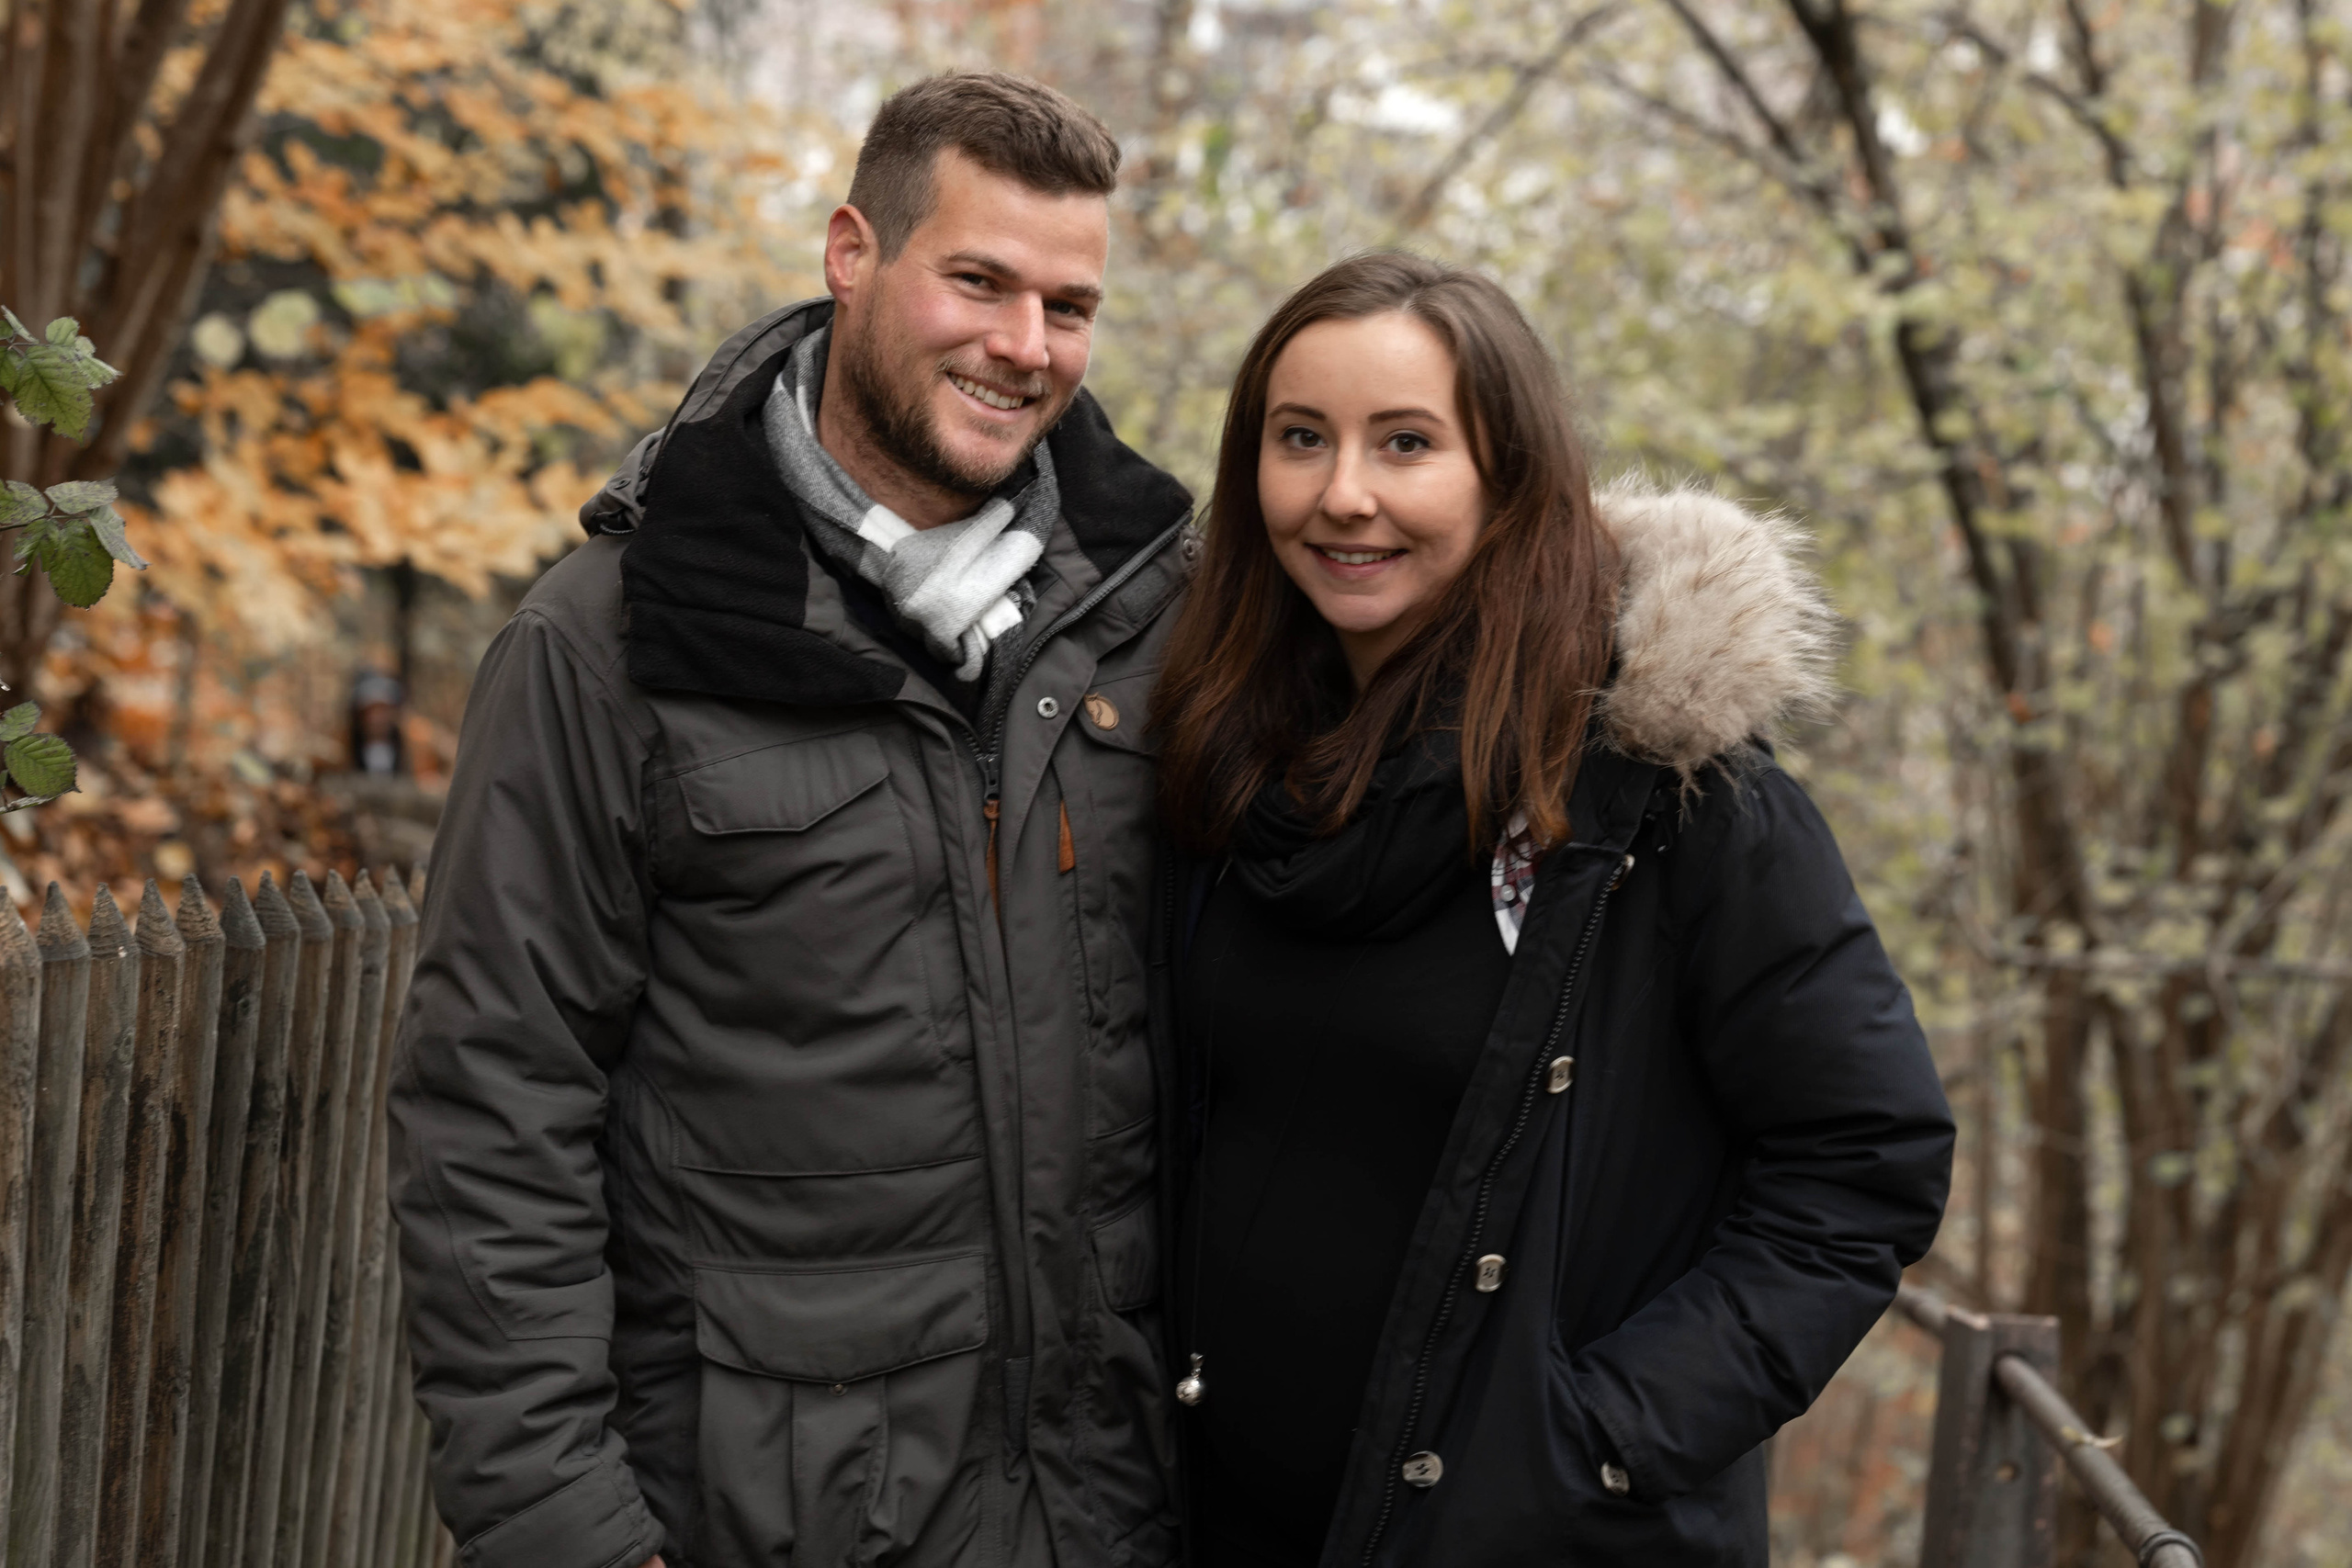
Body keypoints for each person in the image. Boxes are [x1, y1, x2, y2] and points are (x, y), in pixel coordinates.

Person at [390, 73, 1196, 1568]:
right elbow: (494, 1103)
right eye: (979, 282)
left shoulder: (1160, 618)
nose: (1026, 346)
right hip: (767, 1515)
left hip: (1107, 1512)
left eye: (1069, 306)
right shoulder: (614, 640)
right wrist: (566, 1531)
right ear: (851, 254)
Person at [1151, 252, 1955, 1566]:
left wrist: (1601, 1438)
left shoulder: (1664, 801)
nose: (1343, 493)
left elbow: (1865, 1160)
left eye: (1406, 443)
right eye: (1301, 439)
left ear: (1508, 476)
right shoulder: (1221, 764)